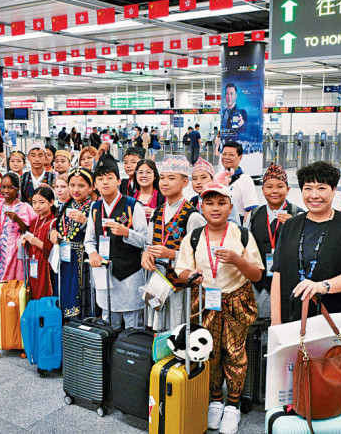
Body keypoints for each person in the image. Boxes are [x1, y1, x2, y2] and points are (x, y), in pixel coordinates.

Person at [270, 161, 341, 412]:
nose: (314, 195)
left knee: (336, 393)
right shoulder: (292, 225)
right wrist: (276, 323)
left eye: (322, 188)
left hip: (337, 323)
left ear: (334, 190)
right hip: (296, 322)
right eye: (307, 188)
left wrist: (323, 285)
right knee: (296, 393)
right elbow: (279, 274)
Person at [174, 181, 263, 434]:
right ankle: (214, 400)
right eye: (209, 203)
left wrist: (237, 260)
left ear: (230, 206)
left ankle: (232, 405)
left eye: (221, 203)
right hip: (205, 302)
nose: (215, 208)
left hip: (236, 299)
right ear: (201, 207)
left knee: (235, 353)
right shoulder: (193, 237)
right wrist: (190, 275)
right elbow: (180, 270)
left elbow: (256, 274)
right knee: (208, 352)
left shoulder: (241, 234)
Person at [141, 155, 206, 331]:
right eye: (162, 178)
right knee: (156, 329)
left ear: (185, 182)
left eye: (171, 178)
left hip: (180, 287)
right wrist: (146, 254)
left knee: (176, 329)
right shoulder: (157, 212)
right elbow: (148, 244)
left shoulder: (192, 216)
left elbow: (200, 257)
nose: (164, 183)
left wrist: (171, 255)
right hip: (157, 282)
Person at [84, 153, 148, 328]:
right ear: (95, 185)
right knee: (107, 322)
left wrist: (126, 232)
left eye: (110, 178)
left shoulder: (133, 206)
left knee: (132, 324)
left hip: (130, 275)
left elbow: (146, 242)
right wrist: (93, 253)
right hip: (105, 274)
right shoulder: (95, 208)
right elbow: (89, 241)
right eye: (100, 178)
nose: (105, 182)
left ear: (119, 181)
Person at [247, 163, 303, 319]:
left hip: (288, 281)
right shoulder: (254, 214)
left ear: (288, 189)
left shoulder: (298, 215)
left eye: (280, 186)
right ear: (263, 190)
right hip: (260, 281)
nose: (275, 191)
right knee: (259, 320)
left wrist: (294, 227)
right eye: (269, 187)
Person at [50, 167, 95, 319]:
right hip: (64, 258)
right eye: (72, 185)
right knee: (63, 290)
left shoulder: (94, 207)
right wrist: (53, 232)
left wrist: (86, 222)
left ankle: (79, 332)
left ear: (91, 187)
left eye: (81, 186)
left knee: (78, 295)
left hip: (81, 259)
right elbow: (56, 225)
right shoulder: (65, 205)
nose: (76, 190)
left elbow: (101, 234)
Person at [0, 173, 37, 283]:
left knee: (16, 274)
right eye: (3, 187)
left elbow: (27, 229)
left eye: (10, 187)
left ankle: (15, 296)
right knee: (1, 274)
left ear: (17, 189)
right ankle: (1, 296)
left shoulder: (23, 207)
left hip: (16, 246)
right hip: (1, 246)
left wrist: (17, 219)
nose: (6, 191)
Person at [23, 186, 57, 299]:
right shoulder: (34, 221)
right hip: (34, 262)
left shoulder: (54, 222)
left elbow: (55, 251)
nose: (37, 206)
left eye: (41, 202)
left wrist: (37, 242)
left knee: (45, 293)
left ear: (51, 202)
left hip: (46, 265)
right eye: (34, 202)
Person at [221, 141, 260, 225]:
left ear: (240, 157)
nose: (226, 157)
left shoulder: (245, 179)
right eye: (224, 154)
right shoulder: (219, 178)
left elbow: (252, 210)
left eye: (231, 155)